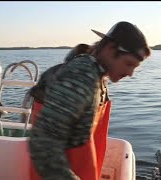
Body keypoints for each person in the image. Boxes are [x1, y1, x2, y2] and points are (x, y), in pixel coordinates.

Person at [28, 21, 152, 180]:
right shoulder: (80, 76)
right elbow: (43, 144)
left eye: (135, 67)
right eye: (128, 64)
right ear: (110, 49)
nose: (130, 73)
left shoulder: (97, 75)